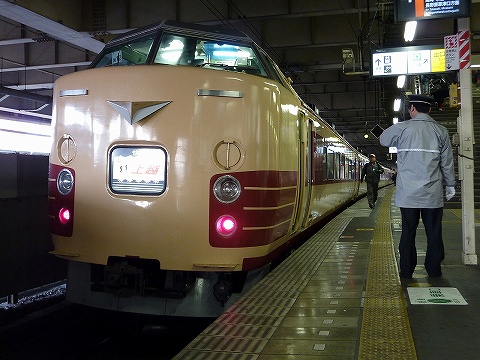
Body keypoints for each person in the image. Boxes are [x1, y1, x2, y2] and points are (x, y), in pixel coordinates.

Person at [380, 94, 455, 278]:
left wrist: (398, 128)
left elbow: (383, 139)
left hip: (408, 194)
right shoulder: (441, 131)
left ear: (412, 109)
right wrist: (451, 184)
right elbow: (447, 162)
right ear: (429, 110)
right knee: (434, 233)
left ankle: (406, 270)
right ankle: (434, 270)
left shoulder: (402, 128)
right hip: (432, 193)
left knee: (408, 232)